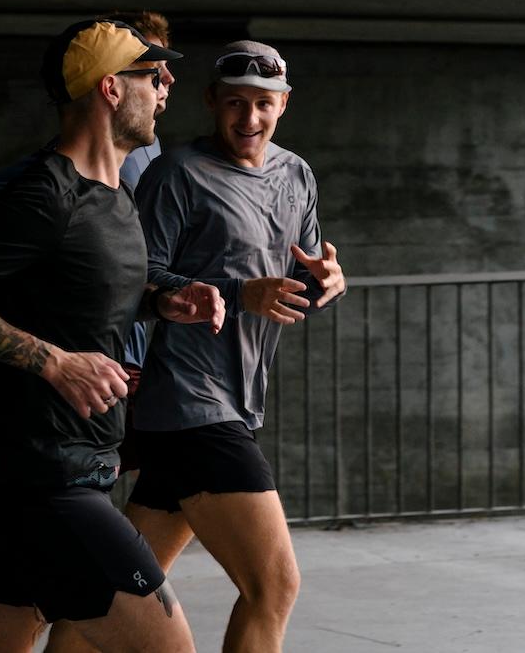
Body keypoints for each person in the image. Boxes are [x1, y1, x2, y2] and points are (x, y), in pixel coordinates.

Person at [0, 18, 222, 653]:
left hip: (74, 470)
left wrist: (164, 301)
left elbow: (85, 297)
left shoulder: (114, 196)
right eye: (151, 75)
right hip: (45, 479)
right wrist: (55, 363)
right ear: (110, 89)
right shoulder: (46, 194)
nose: (166, 86)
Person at [54, 40, 346, 653]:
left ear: (284, 104)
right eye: (236, 103)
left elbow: (299, 276)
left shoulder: (296, 174)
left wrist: (327, 283)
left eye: (264, 104)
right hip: (191, 403)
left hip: (236, 401)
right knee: (275, 586)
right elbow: (132, 280)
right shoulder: (178, 174)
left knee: (110, 594)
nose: (250, 118)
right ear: (212, 102)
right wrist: (240, 294)